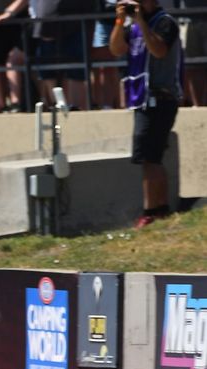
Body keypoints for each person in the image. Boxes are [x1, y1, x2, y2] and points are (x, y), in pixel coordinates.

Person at [110, 0, 183, 228]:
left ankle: (151, 211)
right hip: (141, 98)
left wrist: (141, 21)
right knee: (152, 157)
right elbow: (116, 49)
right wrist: (121, 20)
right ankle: (159, 210)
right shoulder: (132, 26)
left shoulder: (165, 23)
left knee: (149, 158)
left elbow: (159, 50)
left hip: (161, 97)